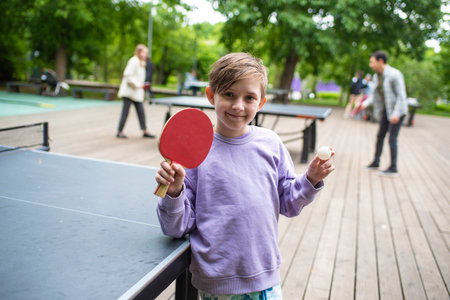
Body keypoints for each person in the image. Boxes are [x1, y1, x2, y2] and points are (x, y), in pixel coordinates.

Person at [155, 52, 335, 298]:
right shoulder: (195, 154)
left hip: (265, 277)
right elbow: (176, 227)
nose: (238, 105)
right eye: (229, 94)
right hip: (217, 281)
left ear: (261, 102)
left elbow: (289, 203)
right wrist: (174, 192)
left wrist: (311, 179)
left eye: (249, 97)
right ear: (211, 95)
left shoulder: (271, 143)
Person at [362, 50, 408, 175]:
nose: (371, 65)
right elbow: (375, 95)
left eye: (372, 62)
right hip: (386, 111)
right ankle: (376, 162)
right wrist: (365, 104)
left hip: (397, 111)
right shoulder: (377, 76)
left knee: (392, 138)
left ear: (380, 61)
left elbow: (401, 96)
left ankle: (393, 168)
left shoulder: (395, 75)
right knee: (380, 136)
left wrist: (396, 114)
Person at [116, 44, 155, 139]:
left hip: (136, 93)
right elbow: (128, 76)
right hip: (129, 92)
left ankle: (145, 130)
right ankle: (119, 131)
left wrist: (141, 87)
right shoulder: (133, 61)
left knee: (141, 112)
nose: (146, 54)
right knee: (125, 112)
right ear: (139, 52)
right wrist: (138, 85)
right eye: (145, 52)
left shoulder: (141, 62)